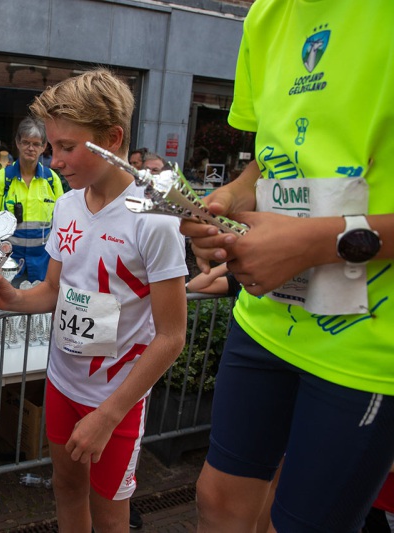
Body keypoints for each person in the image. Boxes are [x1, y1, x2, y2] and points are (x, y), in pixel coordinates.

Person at [180, 1, 394, 531]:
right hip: (267, 317)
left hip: (368, 339)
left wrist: (316, 243)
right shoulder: (264, 14)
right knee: (216, 501)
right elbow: (270, 157)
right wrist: (230, 197)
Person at [0, 68, 188, 532]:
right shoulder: (67, 204)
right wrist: (9, 296)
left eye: (67, 147)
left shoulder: (155, 218)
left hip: (116, 399)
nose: (55, 160)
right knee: (66, 492)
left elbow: (172, 336)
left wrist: (108, 415)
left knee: (109, 518)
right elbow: (53, 291)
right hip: (62, 384)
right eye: (52, 146)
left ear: (113, 138)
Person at [0, 117, 64, 283]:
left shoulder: (52, 181)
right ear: (18, 143)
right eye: (26, 142)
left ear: (44, 146)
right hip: (9, 268)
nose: (30, 148)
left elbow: (62, 228)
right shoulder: (2, 180)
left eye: (36, 144)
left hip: (43, 267)